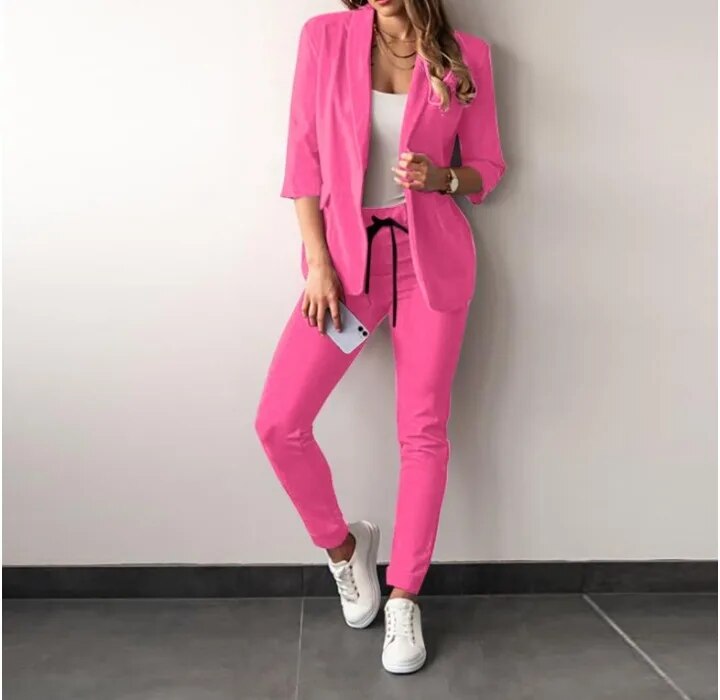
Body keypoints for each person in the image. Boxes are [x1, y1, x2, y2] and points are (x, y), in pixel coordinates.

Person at [255, 0, 505, 674]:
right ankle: (345, 549)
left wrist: (442, 177)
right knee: (279, 422)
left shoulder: (467, 57)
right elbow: (304, 159)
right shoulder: (325, 38)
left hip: (431, 262)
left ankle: (404, 598)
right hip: (346, 265)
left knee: (422, 430)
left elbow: (488, 167)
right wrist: (318, 265)